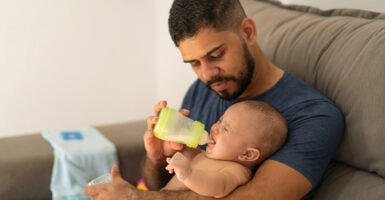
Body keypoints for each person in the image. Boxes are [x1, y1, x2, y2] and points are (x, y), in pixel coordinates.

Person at [84, 0, 344, 199]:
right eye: (194, 63)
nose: (207, 74)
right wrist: (157, 157)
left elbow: (255, 198)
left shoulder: (313, 116)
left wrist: (135, 197)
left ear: (248, 32)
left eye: (216, 55)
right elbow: (159, 187)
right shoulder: (203, 89)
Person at [162, 100, 288, 198]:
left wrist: (188, 174)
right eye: (220, 120)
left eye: (225, 129)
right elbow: (185, 156)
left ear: (247, 154)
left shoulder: (236, 171)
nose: (215, 127)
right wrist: (176, 141)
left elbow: (217, 187)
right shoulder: (205, 154)